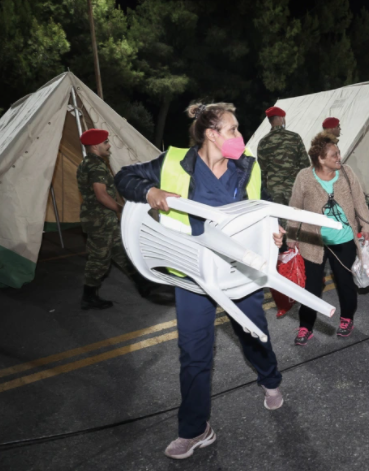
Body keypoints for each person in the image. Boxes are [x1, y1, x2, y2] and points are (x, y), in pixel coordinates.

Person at [114, 102, 285, 460]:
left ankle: (269, 377)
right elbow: (124, 177)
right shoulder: (173, 164)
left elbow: (266, 207)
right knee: (193, 354)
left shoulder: (248, 167)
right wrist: (150, 192)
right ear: (211, 134)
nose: (240, 136)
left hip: (239, 272)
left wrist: (276, 232)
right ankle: (194, 430)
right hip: (193, 276)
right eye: (234, 130)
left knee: (254, 335)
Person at [287, 132, 369, 346]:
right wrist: (291, 235)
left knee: (345, 284)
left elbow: (359, 201)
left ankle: (346, 319)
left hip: (343, 240)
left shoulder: (346, 172)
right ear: (320, 158)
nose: (339, 157)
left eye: (338, 152)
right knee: (311, 288)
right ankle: (306, 326)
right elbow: (295, 207)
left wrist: (366, 226)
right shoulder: (304, 177)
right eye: (334, 154)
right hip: (313, 242)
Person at [75, 128, 152, 310]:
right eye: (106, 143)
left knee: (121, 251)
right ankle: (89, 296)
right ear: (95, 146)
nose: (108, 146)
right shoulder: (95, 165)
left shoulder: (87, 163)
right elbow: (101, 195)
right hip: (99, 221)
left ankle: (144, 285)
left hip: (102, 219)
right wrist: (121, 209)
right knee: (99, 259)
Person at [256, 106, 310, 206]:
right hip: (293, 186)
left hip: (274, 189)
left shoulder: (263, 142)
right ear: (281, 118)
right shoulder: (294, 137)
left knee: (279, 219)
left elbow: (262, 170)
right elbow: (305, 163)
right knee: (296, 217)